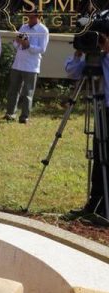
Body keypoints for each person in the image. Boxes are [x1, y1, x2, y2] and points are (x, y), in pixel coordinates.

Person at [64, 46, 109, 226]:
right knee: (99, 156)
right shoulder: (96, 59)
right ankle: (94, 205)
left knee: (107, 158)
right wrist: (78, 54)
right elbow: (72, 72)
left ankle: (105, 210)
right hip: (102, 110)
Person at [3, 11, 48, 124]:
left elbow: (42, 49)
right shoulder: (23, 27)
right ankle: (10, 114)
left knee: (28, 93)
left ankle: (24, 117)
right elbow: (15, 44)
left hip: (31, 66)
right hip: (18, 63)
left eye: (31, 17)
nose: (29, 19)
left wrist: (28, 45)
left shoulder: (43, 30)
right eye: (28, 16)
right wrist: (17, 41)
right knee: (13, 90)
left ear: (38, 16)